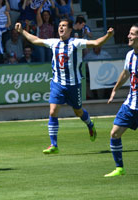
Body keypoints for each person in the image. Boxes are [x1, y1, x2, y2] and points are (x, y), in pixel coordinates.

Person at [15, 20, 114, 154]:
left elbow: (96, 43)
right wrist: (22, 31)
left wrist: (108, 35)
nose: (61, 27)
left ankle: (90, 124)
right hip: (57, 83)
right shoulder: (54, 42)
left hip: (74, 85)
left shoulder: (76, 43)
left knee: (78, 112)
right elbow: (36, 40)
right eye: (60, 25)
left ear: (70, 30)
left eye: (64, 26)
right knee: (52, 111)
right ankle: (53, 145)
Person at [105, 23, 138, 177]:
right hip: (130, 104)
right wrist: (115, 89)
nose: (128, 36)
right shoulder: (129, 55)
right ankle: (120, 168)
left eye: (132, 34)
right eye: (129, 33)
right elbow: (125, 73)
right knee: (115, 133)